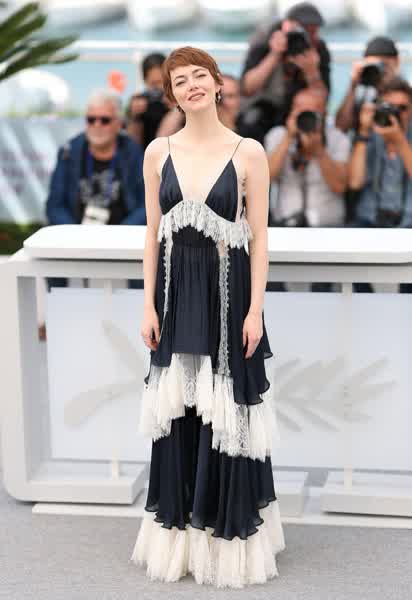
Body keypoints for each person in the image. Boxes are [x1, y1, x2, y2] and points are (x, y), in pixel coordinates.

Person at [130, 46, 285, 588]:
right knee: (179, 412)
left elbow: (261, 237)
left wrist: (256, 310)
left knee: (228, 414)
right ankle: (181, 543)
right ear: (171, 94)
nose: (191, 85)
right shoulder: (157, 152)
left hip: (229, 299)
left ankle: (226, 541)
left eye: (200, 75)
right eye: (180, 81)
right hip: (175, 299)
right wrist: (147, 304)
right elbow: (151, 235)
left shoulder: (249, 152)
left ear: (219, 84)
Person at [39, 89, 145, 340]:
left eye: (104, 120)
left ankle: (140, 319)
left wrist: (121, 233)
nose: (97, 125)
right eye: (91, 119)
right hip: (79, 230)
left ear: (118, 123)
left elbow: (147, 205)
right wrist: (75, 233)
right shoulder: (70, 151)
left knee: (145, 254)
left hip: (123, 232)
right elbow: (54, 204)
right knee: (52, 252)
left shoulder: (133, 152)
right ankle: (58, 316)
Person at [348, 76, 412, 293]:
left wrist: (400, 141)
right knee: (347, 246)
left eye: (402, 108)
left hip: (408, 222)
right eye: (389, 107)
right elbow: (355, 182)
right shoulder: (369, 137)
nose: (396, 113)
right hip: (370, 219)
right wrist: (363, 132)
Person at [237, 1, 330, 143]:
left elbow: (323, 100)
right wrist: (274, 55)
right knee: (250, 125)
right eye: (304, 30)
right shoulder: (264, 41)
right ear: (286, 25)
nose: (307, 37)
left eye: (313, 32)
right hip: (263, 107)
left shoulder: (318, 49)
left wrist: (312, 73)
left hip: (298, 111)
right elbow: (247, 89)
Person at [265, 88, 349, 228]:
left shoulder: (338, 139)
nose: (304, 116)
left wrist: (320, 151)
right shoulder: (277, 135)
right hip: (286, 224)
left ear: (324, 114)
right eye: (299, 109)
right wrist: (288, 138)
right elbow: (265, 179)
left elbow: (339, 186)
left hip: (327, 225)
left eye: (311, 111)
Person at [335, 36, 400, 134]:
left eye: (384, 65)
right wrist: (353, 85)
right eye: (374, 67)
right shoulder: (362, 94)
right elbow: (340, 128)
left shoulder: (406, 94)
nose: (380, 72)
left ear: (397, 62)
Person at [125, 53, 171, 149]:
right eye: (154, 84)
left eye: (162, 83)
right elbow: (131, 144)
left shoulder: (176, 100)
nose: (159, 89)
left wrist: (176, 110)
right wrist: (135, 117)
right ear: (145, 81)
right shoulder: (138, 101)